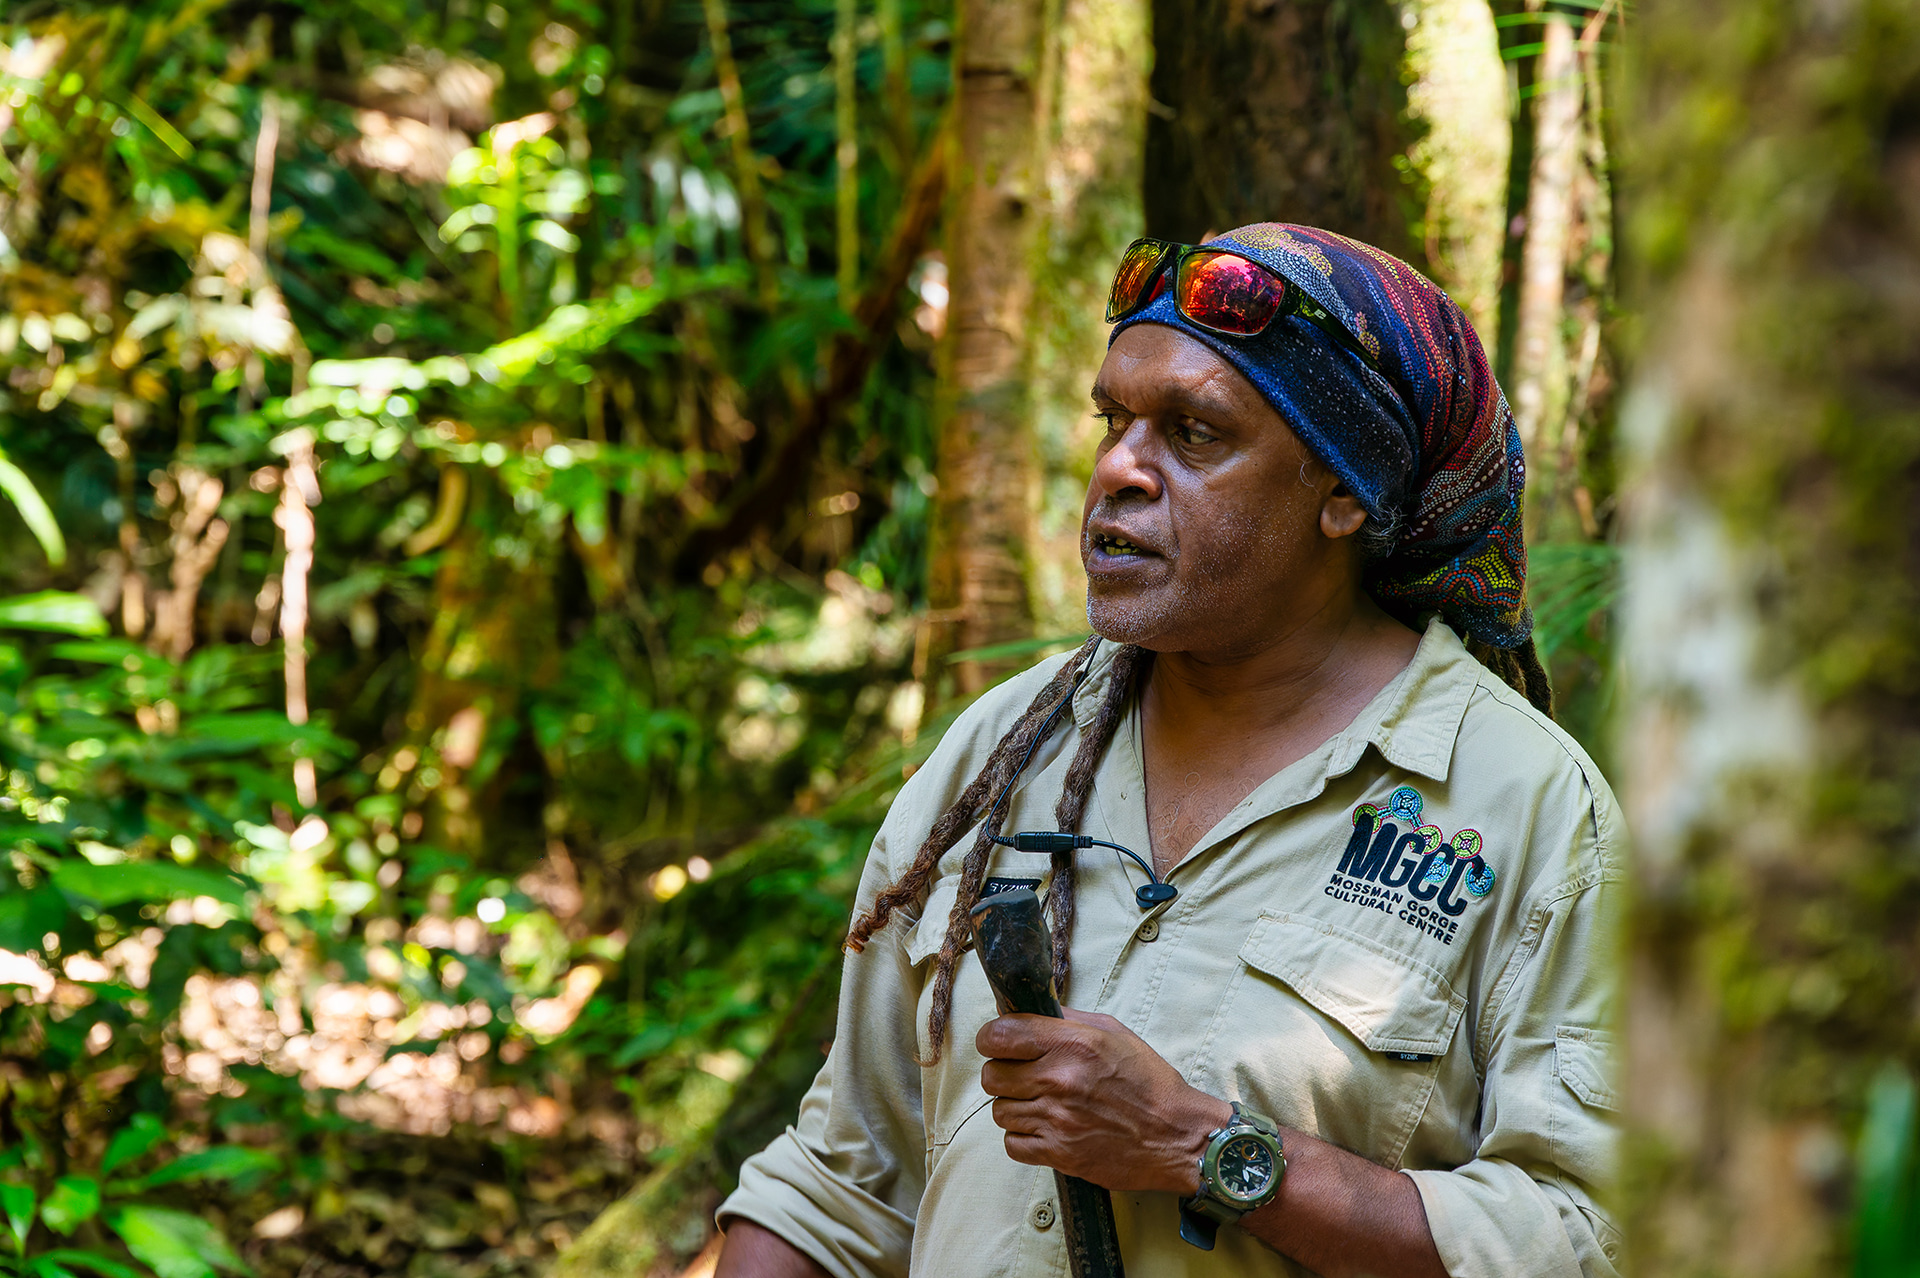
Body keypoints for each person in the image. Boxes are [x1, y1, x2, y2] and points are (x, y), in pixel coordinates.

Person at [713, 224, 1621, 1277]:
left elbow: (1585, 1236)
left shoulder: (1523, 804)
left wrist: (1201, 1145)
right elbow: (840, 1185)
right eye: (1114, 419)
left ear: (1342, 494)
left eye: (1194, 433)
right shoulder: (1002, 753)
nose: (1120, 473)